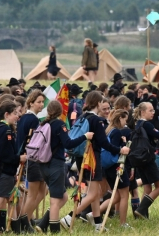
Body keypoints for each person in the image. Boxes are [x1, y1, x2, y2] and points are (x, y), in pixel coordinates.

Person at [60, 91, 129, 232]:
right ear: (98, 103)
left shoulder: (82, 116)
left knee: (95, 192)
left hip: (81, 158)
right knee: (92, 193)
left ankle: (98, 224)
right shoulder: (96, 120)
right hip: (92, 159)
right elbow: (104, 143)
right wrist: (120, 150)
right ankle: (70, 217)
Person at [34, 101, 93, 233]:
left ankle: (43, 224)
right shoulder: (60, 125)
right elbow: (68, 143)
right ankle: (54, 231)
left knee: (64, 197)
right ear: (61, 111)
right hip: (55, 165)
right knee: (55, 201)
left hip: (43, 165)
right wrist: (84, 136)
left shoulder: (43, 123)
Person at [0, 101, 25, 235]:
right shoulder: (6, 130)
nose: (17, 116)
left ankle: (13, 229)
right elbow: (6, 155)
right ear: (6, 114)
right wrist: (20, 158)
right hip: (3, 172)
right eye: (15, 113)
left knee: (9, 199)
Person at [16, 91, 46, 233]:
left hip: (27, 156)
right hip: (32, 157)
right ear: (31, 102)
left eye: (42, 102)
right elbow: (32, 141)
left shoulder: (24, 117)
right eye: (39, 102)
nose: (41, 105)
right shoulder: (33, 119)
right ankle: (25, 220)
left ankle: (27, 218)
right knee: (34, 193)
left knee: (42, 191)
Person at [133, 102, 159, 219]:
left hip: (139, 159)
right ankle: (141, 209)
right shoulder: (147, 125)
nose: (153, 112)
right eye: (150, 110)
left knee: (147, 187)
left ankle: (142, 215)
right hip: (148, 158)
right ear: (142, 112)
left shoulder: (138, 124)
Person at [101, 109, 131, 228]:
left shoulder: (108, 130)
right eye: (125, 120)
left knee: (117, 196)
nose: (126, 123)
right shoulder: (117, 132)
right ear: (120, 118)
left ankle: (94, 213)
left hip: (108, 168)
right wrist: (123, 145)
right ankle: (123, 223)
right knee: (124, 195)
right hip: (117, 167)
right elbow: (114, 149)